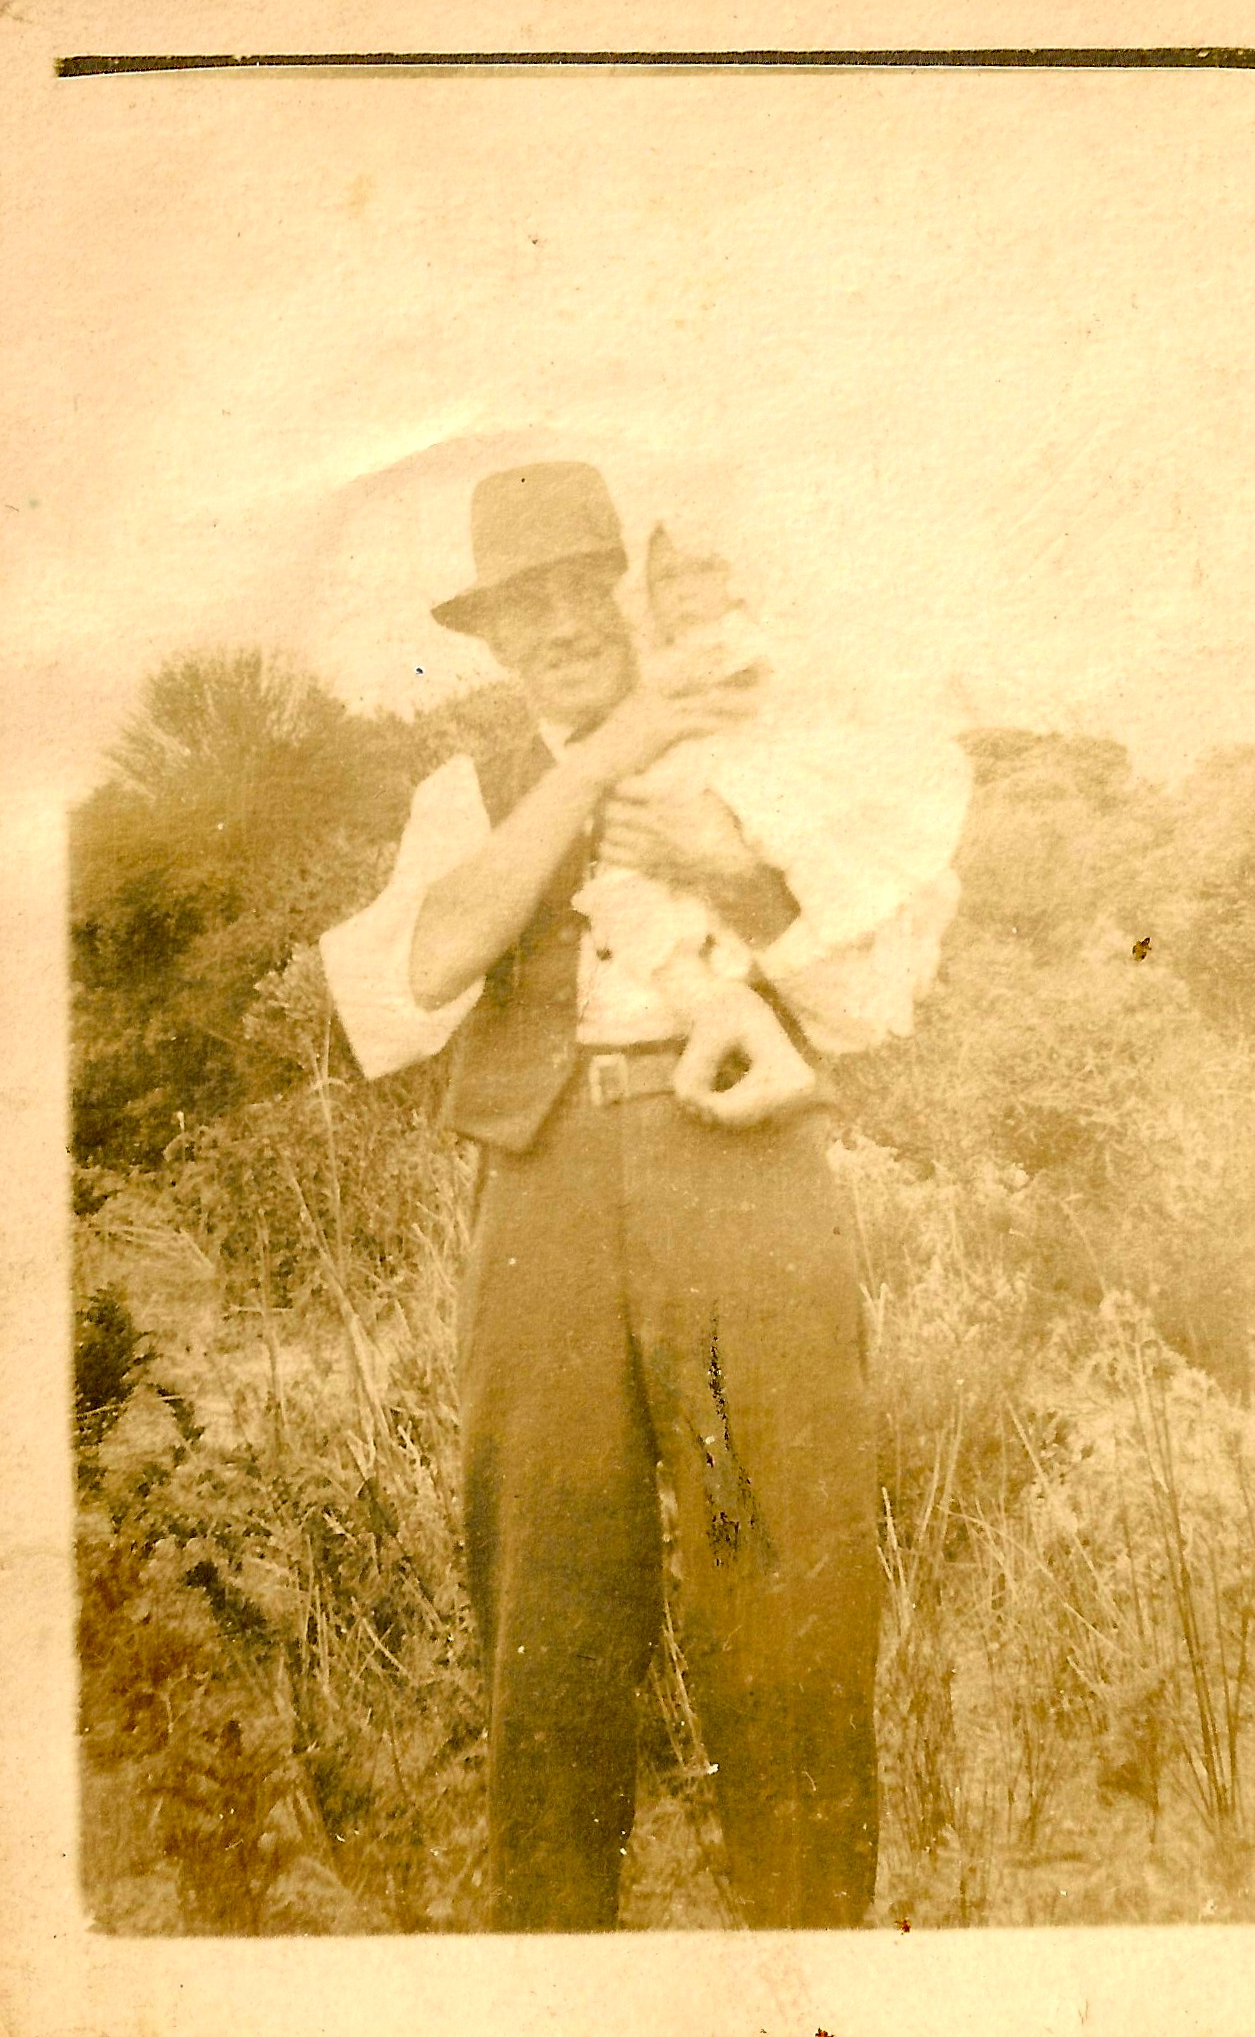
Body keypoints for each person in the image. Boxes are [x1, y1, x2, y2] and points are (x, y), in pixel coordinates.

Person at [319, 461, 972, 1931]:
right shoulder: (467, 791)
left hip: (740, 1166)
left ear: (627, 588)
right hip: (542, 1185)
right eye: (518, 604)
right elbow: (424, 971)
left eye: (576, 586)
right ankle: (555, 1969)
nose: (554, 622)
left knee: (791, 1575)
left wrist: (729, 863)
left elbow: (875, 982)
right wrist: (593, 762)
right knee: (544, 1590)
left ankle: (813, 1970)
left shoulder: (772, 753)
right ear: (489, 637)